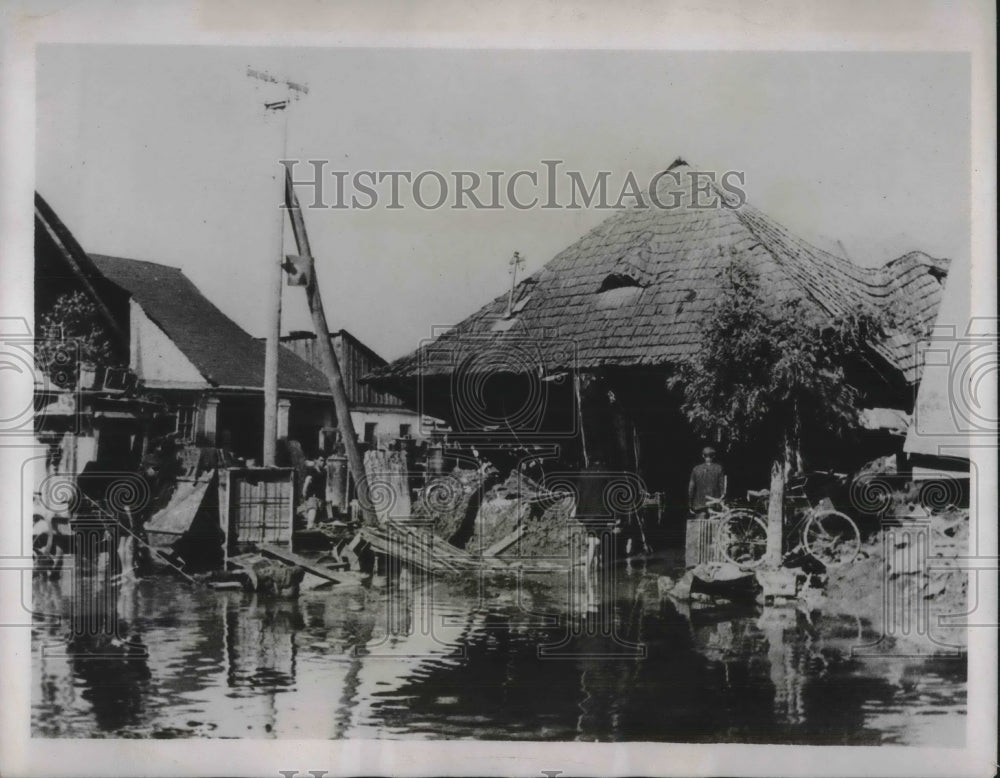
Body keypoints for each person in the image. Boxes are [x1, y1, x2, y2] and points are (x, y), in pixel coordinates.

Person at [688, 446, 727, 516]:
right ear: (714, 456)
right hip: (714, 504)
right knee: (714, 525)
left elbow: (691, 489)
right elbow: (722, 488)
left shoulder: (696, 469)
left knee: (700, 524)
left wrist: (690, 504)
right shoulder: (719, 468)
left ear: (703, 456)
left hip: (699, 505)